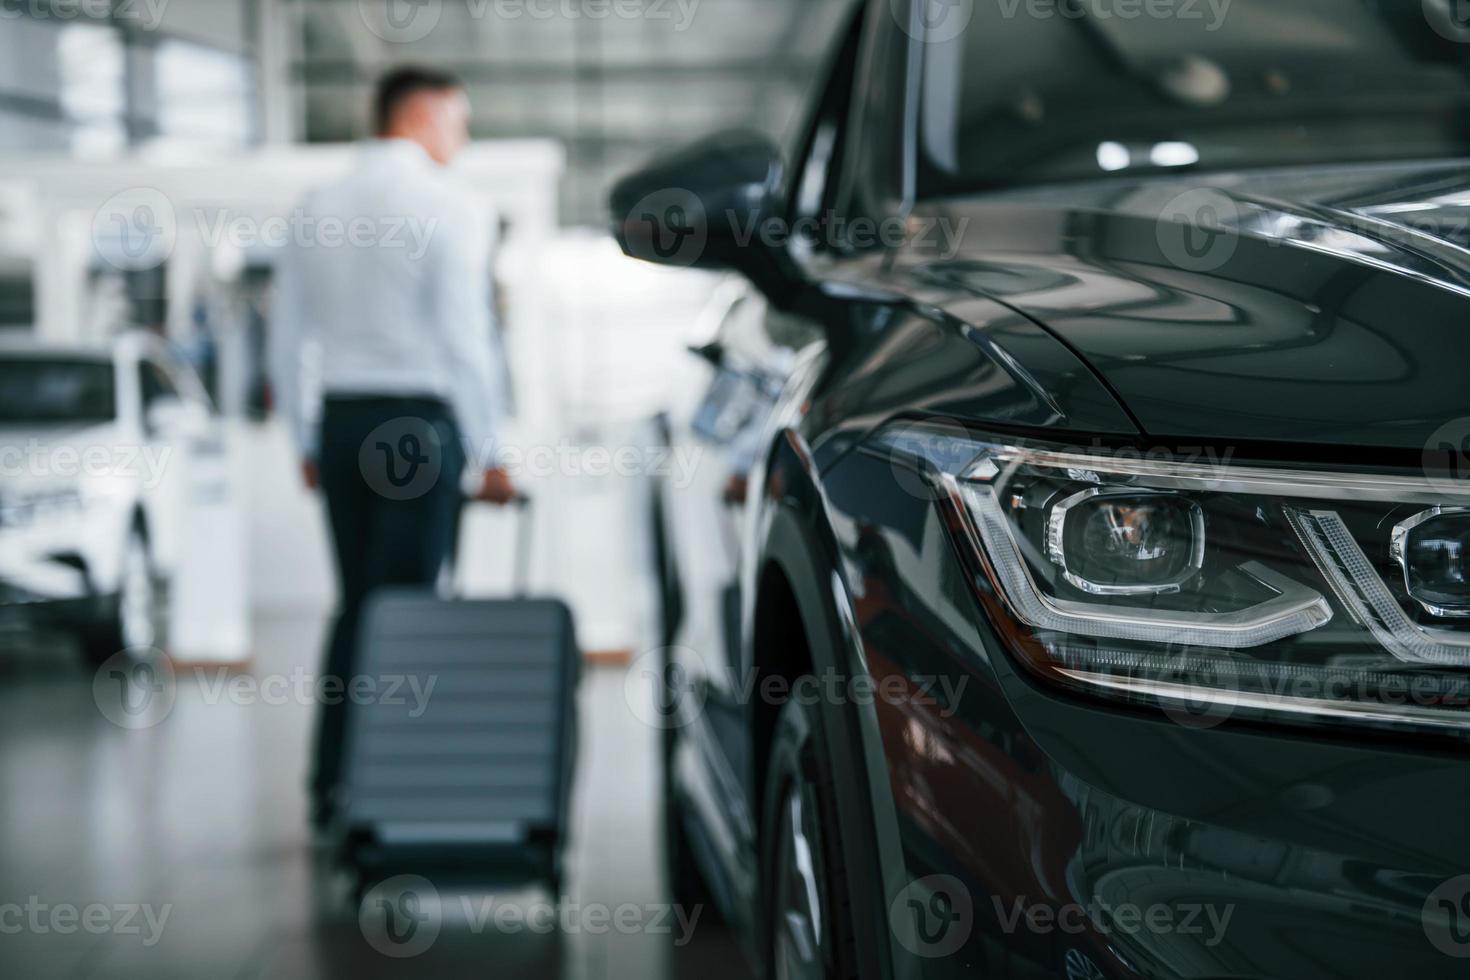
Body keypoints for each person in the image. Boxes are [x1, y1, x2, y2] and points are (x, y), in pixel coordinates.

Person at [269, 66, 519, 828]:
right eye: (458, 121)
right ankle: (401, 790)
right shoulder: (451, 205)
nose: (462, 138)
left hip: (342, 424)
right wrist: (493, 447)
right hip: (418, 425)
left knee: (360, 604)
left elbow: (286, 339)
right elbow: (464, 336)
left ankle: (332, 784)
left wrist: (303, 439)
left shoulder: (316, 206)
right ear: (419, 116)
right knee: (411, 606)